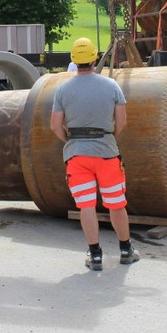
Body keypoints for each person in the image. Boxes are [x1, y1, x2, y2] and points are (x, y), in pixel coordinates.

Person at [51, 37, 139, 270]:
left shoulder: (63, 90)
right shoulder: (111, 86)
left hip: (77, 156)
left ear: (73, 59)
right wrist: (108, 137)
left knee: (86, 206)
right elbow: (122, 122)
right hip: (107, 154)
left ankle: (95, 255)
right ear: (95, 58)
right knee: (116, 204)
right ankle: (126, 250)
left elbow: (55, 125)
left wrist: (71, 141)